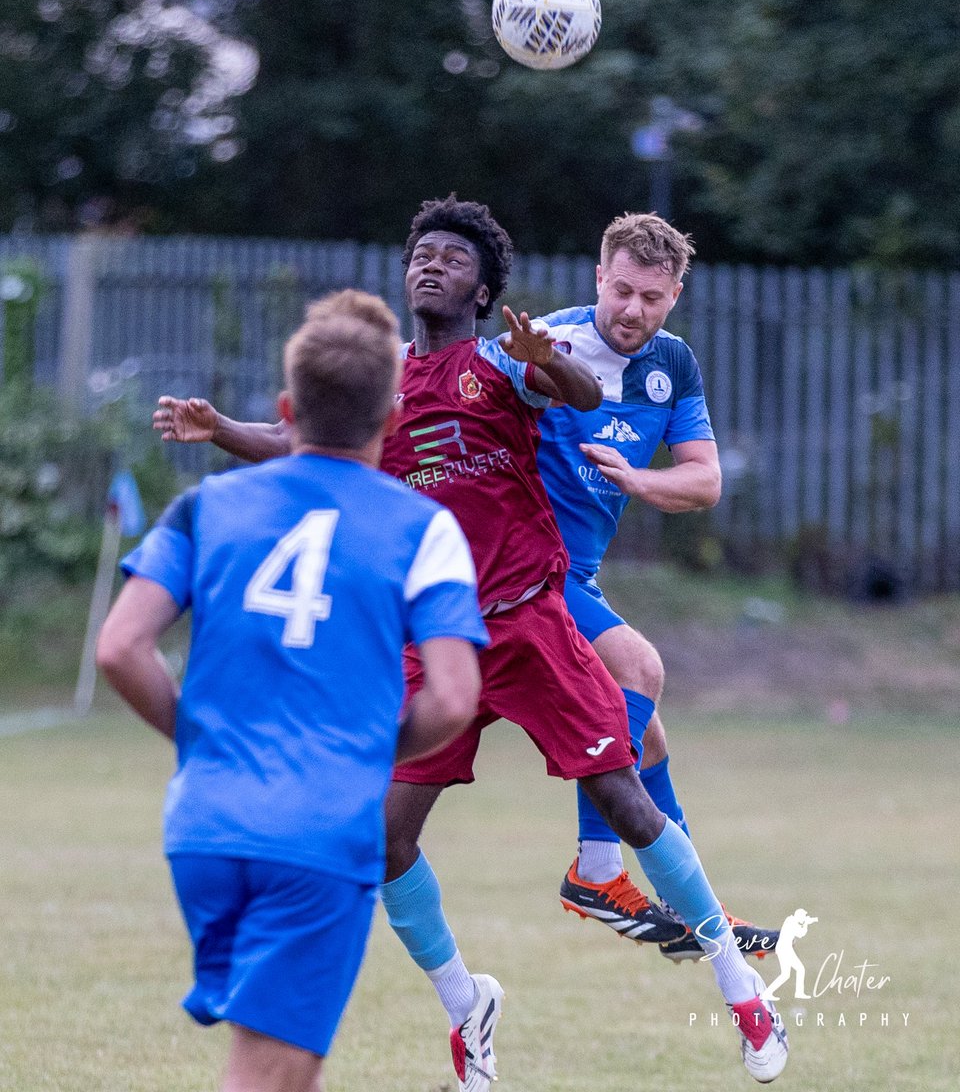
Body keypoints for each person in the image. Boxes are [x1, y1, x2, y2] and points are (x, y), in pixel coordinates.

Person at [153, 195, 789, 1088]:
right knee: (380, 843)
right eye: (423, 253)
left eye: (454, 257)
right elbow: (297, 445)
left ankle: (740, 986)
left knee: (628, 799)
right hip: (438, 640)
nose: (432, 264)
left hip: (533, 621)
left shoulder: (501, 362)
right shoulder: (382, 387)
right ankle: (467, 1003)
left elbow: (569, 388)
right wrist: (216, 428)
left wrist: (548, 363)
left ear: (484, 289)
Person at [97, 289, 487, 1092]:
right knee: (267, 1074)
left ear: (285, 409)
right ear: (391, 417)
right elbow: (452, 698)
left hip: (204, 828)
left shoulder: (205, 507)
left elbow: (120, 647)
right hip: (316, 835)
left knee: (286, 1068)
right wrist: (363, 749)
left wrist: (203, 735)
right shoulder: (423, 528)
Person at [528, 213, 780, 962]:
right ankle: (598, 870)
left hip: (577, 576)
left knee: (648, 733)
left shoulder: (674, 363)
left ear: (675, 295)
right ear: (599, 277)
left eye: (653, 297)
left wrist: (639, 477)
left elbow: (704, 481)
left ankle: (693, 912)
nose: (634, 310)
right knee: (638, 670)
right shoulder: (547, 342)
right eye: (623, 290)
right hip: (525, 569)